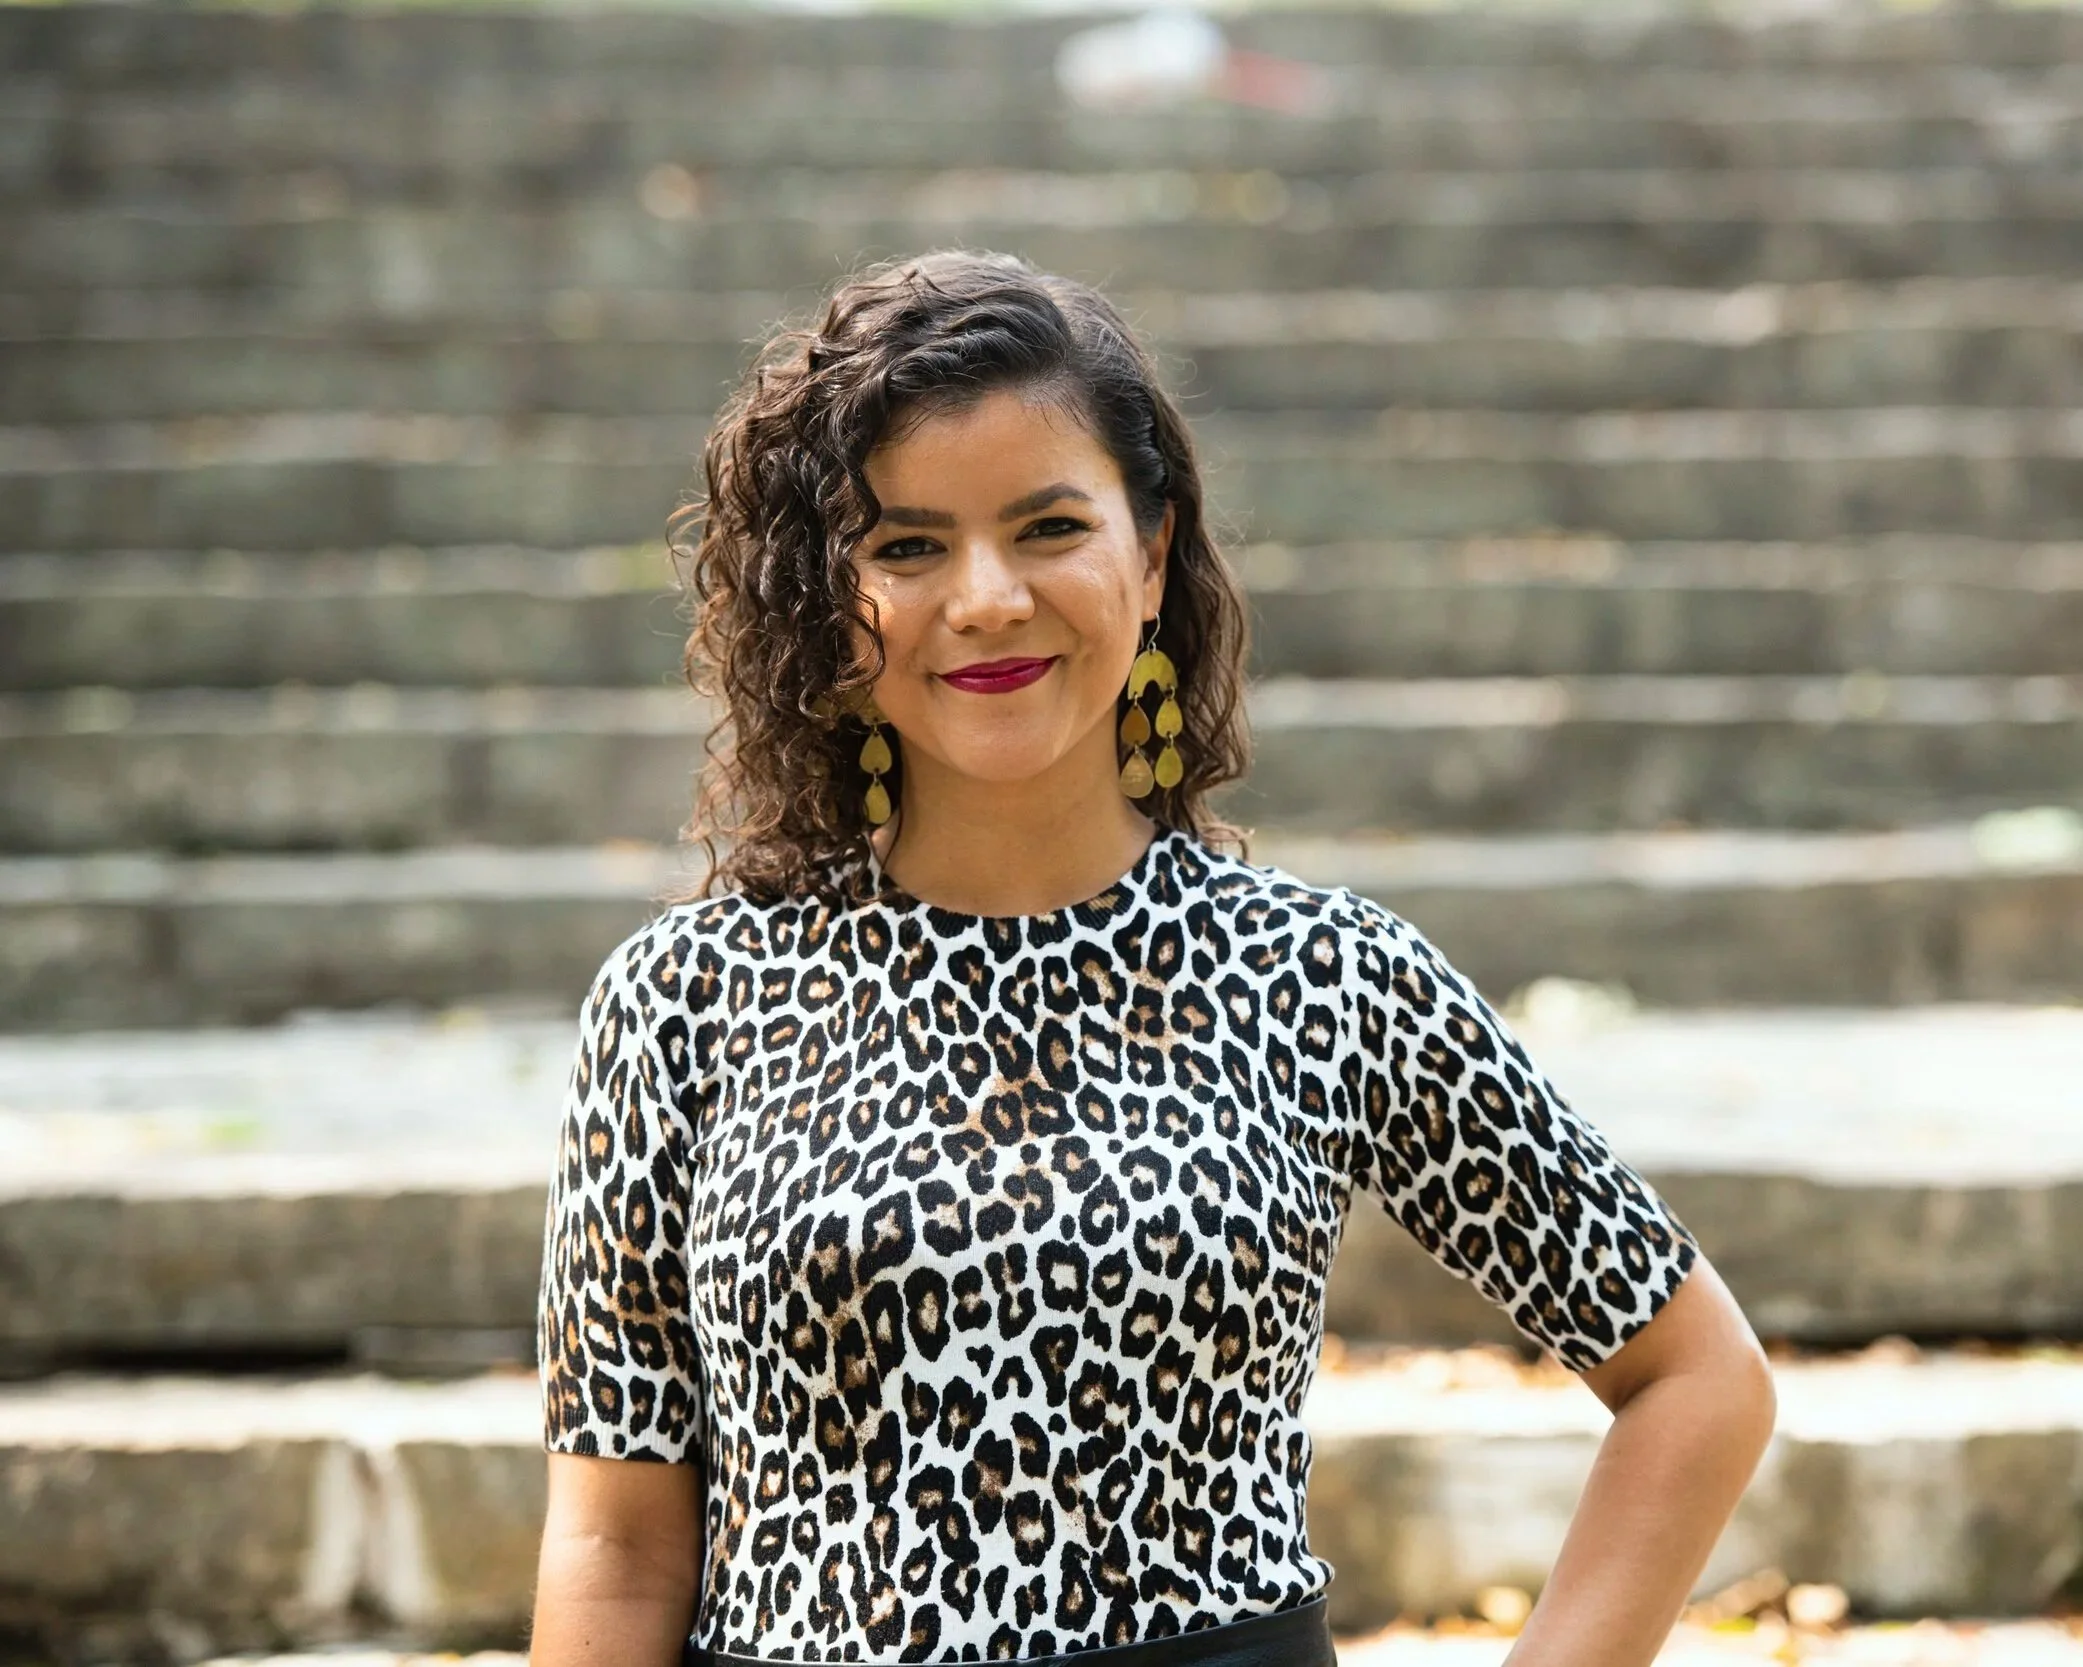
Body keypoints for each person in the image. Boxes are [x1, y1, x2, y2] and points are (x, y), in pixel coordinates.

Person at [530, 249, 1776, 1667]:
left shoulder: (1322, 976)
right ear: (831, 595)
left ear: (1153, 548)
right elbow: (616, 1539)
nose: (987, 597)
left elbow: (1695, 1375)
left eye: (1048, 526)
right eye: (905, 544)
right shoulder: (684, 999)